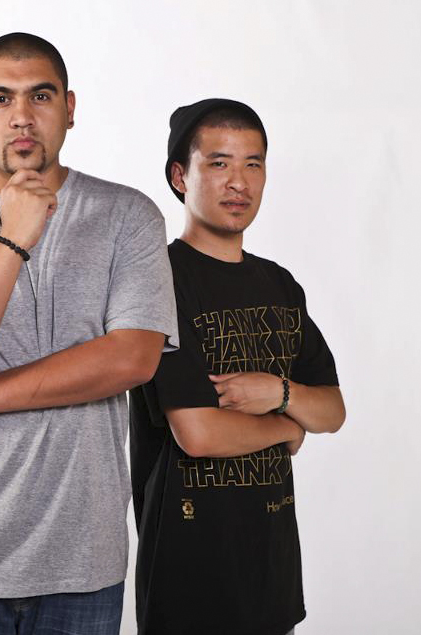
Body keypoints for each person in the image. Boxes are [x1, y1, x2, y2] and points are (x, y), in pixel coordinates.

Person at [0, 33, 178, 634]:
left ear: (69, 108)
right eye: (1, 98)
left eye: (40, 96)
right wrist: (13, 237)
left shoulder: (129, 215)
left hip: (82, 565)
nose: (21, 115)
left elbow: (132, 358)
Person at [129, 98, 346, 635]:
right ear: (180, 176)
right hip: (188, 578)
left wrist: (279, 391)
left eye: (253, 163)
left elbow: (333, 410)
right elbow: (198, 432)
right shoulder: (160, 281)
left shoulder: (280, 284)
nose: (239, 182)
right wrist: (286, 426)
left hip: (272, 576)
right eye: (219, 163)